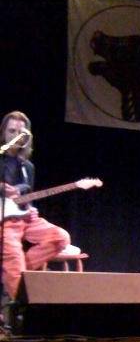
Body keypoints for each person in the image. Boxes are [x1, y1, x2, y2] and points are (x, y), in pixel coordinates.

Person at [0, 111, 71, 300]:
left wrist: (30, 207)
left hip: (25, 219)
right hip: (4, 222)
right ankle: (20, 307)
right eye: (11, 131)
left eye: (19, 133)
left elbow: (26, 196)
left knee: (60, 237)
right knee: (13, 257)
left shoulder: (27, 166)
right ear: (3, 133)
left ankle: (16, 275)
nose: (15, 136)